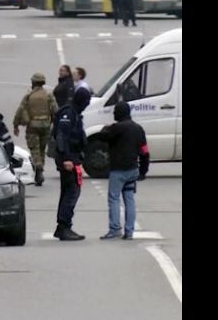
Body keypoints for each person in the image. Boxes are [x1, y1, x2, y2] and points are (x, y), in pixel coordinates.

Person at [91, 102, 150, 240]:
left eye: (115, 112)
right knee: (129, 198)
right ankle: (129, 231)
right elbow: (145, 152)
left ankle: (115, 229)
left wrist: (106, 128)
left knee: (114, 198)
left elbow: (103, 136)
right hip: (133, 169)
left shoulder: (117, 128)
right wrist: (143, 171)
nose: (114, 115)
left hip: (118, 170)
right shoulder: (138, 128)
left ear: (119, 113)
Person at [51, 88, 91, 241]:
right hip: (68, 159)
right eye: (86, 101)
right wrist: (67, 158)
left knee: (69, 191)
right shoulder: (68, 113)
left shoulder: (75, 112)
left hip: (73, 157)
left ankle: (63, 226)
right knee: (72, 192)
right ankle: (64, 226)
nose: (87, 104)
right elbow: (61, 136)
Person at [13, 73, 57, 186]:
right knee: (42, 149)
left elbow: (20, 110)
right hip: (46, 125)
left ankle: (38, 166)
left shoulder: (29, 96)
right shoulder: (48, 95)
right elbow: (55, 110)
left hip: (33, 125)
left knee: (34, 149)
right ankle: (40, 167)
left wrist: (16, 125)